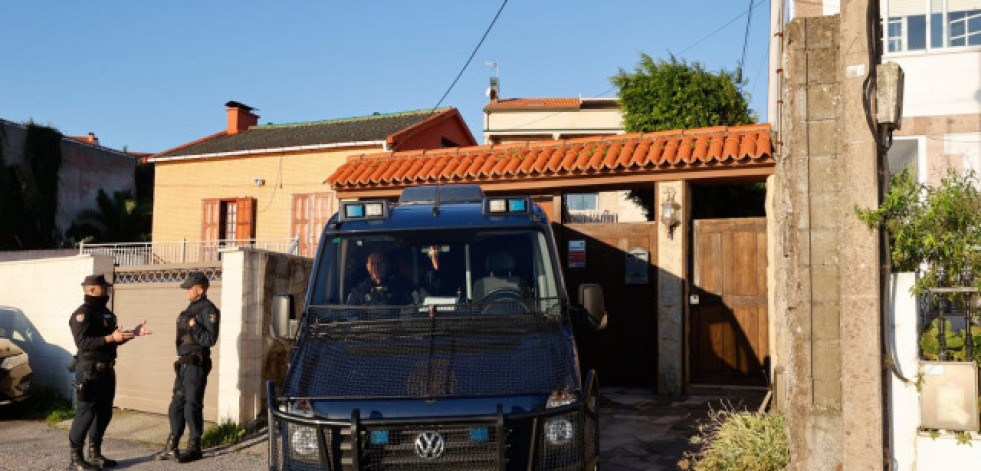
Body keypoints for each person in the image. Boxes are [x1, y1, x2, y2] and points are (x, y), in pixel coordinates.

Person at [68, 274, 151, 471]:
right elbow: (83, 343)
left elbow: (113, 339)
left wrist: (132, 333)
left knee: (104, 413)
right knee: (85, 413)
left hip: (106, 370)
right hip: (89, 371)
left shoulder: (106, 313)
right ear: (92, 289)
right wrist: (110, 338)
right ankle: (75, 459)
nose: (107, 290)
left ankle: (95, 454)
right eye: (103, 287)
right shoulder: (82, 314)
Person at [154, 271, 220, 463]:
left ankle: (194, 446)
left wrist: (194, 326)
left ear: (200, 290)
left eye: (189, 288)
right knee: (176, 404)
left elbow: (210, 339)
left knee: (192, 405)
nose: (186, 292)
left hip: (196, 364)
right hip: (183, 364)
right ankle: (172, 445)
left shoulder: (209, 310)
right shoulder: (190, 309)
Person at [346, 250, 416, 306]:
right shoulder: (359, 290)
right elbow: (350, 313)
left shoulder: (398, 288)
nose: (376, 267)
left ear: (387, 265)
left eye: (380, 263)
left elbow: (409, 309)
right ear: (367, 266)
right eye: (373, 263)